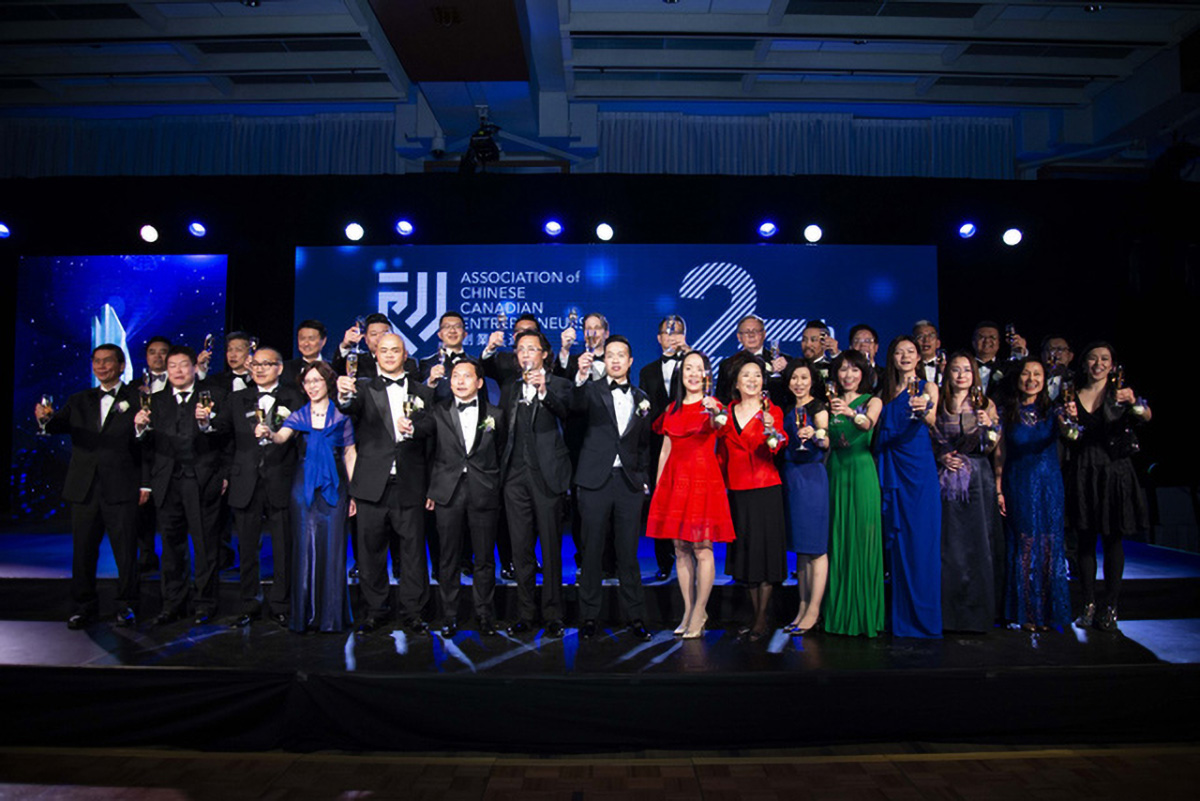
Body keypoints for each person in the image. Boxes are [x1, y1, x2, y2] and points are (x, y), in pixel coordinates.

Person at [35, 345, 145, 629]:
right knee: (83, 551)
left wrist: (145, 484)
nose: (101, 366)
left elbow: (147, 444)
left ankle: (127, 605)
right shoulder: (79, 399)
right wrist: (45, 419)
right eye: (97, 361)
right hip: (84, 488)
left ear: (121, 366)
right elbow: (55, 426)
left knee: (125, 551)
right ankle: (84, 607)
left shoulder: (138, 399)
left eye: (107, 361)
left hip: (121, 486)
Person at [335, 333, 433, 634]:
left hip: (410, 483)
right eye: (384, 350)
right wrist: (343, 395)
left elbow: (432, 428)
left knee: (413, 553)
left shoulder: (423, 391)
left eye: (395, 350)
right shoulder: (364, 388)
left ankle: (414, 612)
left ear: (406, 355)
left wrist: (415, 429)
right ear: (376, 355)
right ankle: (375, 610)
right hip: (371, 484)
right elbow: (348, 406)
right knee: (370, 552)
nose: (390, 355)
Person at [258, 362, 356, 633]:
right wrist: (269, 433)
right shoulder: (299, 415)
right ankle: (304, 615)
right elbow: (281, 437)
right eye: (307, 382)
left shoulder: (342, 416)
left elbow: (350, 454)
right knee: (304, 547)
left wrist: (355, 493)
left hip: (334, 486)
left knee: (333, 549)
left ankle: (330, 617)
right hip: (303, 487)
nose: (312, 386)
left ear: (328, 383)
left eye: (317, 380)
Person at [134, 346, 229, 625]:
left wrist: (224, 473)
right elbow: (147, 445)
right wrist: (139, 429)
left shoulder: (214, 395)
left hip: (202, 480)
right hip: (167, 482)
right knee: (171, 545)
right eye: (172, 365)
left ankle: (205, 603)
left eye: (183, 365)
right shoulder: (155, 400)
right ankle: (173, 604)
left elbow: (228, 437)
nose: (178, 370)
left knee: (205, 546)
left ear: (194, 368)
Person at [646, 350, 736, 639]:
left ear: (707, 375)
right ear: (681, 375)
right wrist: (659, 488)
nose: (693, 374)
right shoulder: (672, 408)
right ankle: (688, 610)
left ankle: (700, 611)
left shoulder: (714, 406)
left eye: (699, 369)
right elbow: (665, 450)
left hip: (702, 483)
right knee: (681, 549)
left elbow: (722, 426)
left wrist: (715, 411)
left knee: (702, 549)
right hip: (675, 484)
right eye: (688, 369)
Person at [571, 336, 654, 641]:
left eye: (621, 355)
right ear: (603, 361)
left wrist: (642, 477)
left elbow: (644, 443)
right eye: (610, 355)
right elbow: (574, 406)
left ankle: (636, 616)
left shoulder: (642, 397)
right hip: (595, 480)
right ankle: (589, 617)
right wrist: (580, 377)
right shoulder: (590, 391)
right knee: (592, 551)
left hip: (629, 483)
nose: (616, 360)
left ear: (630, 361)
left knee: (628, 553)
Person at [1064, 342, 1151, 632]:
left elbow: (1145, 416)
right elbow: (1068, 435)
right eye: (1092, 358)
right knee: (1085, 540)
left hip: (1114, 471)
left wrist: (1134, 402)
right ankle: (1088, 604)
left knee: (1113, 540)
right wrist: (1066, 422)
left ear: (1112, 365)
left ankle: (1110, 606)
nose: (1098, 364)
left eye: (1104, 359)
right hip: (1083, 470)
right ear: (1084, 363)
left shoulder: (1121, 393)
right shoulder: (1071, 393)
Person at [216, 346, 305, 628]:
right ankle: (249, 604)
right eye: (255, 364)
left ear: (280, 367)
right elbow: (221, 432)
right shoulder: (237, 398)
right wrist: (205, 422)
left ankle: (281, 604)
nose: (260, 369)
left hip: (282, 478)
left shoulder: (294, 396)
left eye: (267, 364)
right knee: (247, 547)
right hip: (246, 480)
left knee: (283, 546)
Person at [415, 358, 504, 636]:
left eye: (466, 376)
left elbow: (502, 453)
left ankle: (484, 615)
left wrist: (495, 486)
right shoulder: (438, 411)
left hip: (484, 490)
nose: (460, 381)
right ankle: (450, 615)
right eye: (455, 376)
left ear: (479, 382)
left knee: (484, 558)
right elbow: (425, 442)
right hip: (448, 491)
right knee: (448, 557)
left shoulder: (495, 414)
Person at [499, 329, 572, 637]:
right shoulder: (509, 388)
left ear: (544, 353)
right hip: (515, 480)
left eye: (532, 348)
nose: (526, 354)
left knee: (552, 549)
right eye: (521, 349)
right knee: (521, 550)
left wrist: (544, 391)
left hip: (548, 477)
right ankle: (526, 614)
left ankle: (554, 615)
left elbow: (567, 414)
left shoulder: (560, 385)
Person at [995, 357, 1071, 631]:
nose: (1031, 379)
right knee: (1024, 545)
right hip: (1018, 483)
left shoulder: (1055, 411)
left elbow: (1070, 434)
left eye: (1037, 374)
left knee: (1049, 546)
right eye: (1026, 374)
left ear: (1044, 380)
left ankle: (1049, 613)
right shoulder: (1006, 411)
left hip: (1049, 483)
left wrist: (1070, 420)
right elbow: (1000, 453)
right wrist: (998, 489)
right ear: (1018, 378)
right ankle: (1027, 613)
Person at [875, 335, 942, 638]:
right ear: (891, 357)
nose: (905, 356)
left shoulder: (928, 387)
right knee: (898, 544)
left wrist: (923, 409)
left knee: (922, 543)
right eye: (899, 352)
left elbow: (932, 420)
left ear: (918, 356)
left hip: (919, 472)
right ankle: (901, 620)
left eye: (910, 351)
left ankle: (925, 621)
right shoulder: (885, 391)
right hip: (893, 467)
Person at [718, 353, 788, 640]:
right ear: (736, 382)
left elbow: (778, 445)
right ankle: (754, 614)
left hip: (765, 489)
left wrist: (772, 431)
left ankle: (761, 618)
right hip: (737, 491)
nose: (752, 380)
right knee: (746, 555)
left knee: (765, 555)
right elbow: (720, 453)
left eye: (757, 375)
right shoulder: (725, 412)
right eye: (746, 375)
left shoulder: (772, 411)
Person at [933, 352, 1000, 633]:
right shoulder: (939, 402)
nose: (961, 375)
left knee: (978, 545)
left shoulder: (985, 404)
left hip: (977, 479)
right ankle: (948, 616)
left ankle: (977, 616)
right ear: (947, 373)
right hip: (946, 478)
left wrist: (989, 427)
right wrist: (942, 455)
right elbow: (929, 437)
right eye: (956, 370)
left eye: (967, 370)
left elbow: (993, 445)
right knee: (949, 545)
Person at [824, 349, 884, 637]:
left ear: (863, 373)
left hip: (861, 471)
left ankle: (864, 615)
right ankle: (836, 614)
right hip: (836, 470)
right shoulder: (828, 402)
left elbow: (868, 423)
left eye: (854, 369)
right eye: (843, 369)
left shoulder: (872, 401)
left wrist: (850, 412)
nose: (848, 375)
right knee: (837, 538)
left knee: (862, 538)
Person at [778, 358, 830, 635]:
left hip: (812, 478)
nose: (799, 383)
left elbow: (826, 439)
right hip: (792, 478)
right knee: (801, 548)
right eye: (794, 378)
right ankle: (802, 606)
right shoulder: (787, 409)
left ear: (812, 380)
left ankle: (814, 610)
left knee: (816, 548)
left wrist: (817, 434)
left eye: (804, 378)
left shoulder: (818, 407)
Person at [639, 314, 690, 582]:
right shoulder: (647, 371)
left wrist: (689, 357)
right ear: (659, 338)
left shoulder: (693, 365)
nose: (672, 336)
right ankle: (664, 560)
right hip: (658, 444)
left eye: (677, 331)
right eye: (667, 332)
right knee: (661, 503)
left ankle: (689, 557)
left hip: (688, 445)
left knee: (687, 503)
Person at [716, 315, 789, 403]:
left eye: (755, 331)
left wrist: (785, 371)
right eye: (747, 332)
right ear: (739, 337)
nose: (751, 335)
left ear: (764, 334)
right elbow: (721, 401)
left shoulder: (784, 362)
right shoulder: (727, 365)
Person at [333, 313, 417, 380]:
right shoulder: (357, 362)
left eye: (384, 333)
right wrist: (345, 345)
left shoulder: (408, 363)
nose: (379, 338)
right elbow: (336, 372)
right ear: (366, 339)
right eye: (374, 334)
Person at [419, 311, 471, 401]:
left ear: (465, 334)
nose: (452, 331)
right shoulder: (426, 363)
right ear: (439, 334)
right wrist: (430, 382)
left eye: (457, 327)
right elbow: (418, 397)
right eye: (447, 327)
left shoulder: (475, 363)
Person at [281, 319, 328, 387]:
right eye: (302, 338)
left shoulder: (332, 368)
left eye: (311, 339)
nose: (306, 344)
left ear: (323, 341)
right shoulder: (285, 368)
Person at [913, 320, 942, 385]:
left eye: (931, 336)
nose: (926, 340)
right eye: (920, 337)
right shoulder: (910, 367)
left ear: (938, 343)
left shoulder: (946, 366)